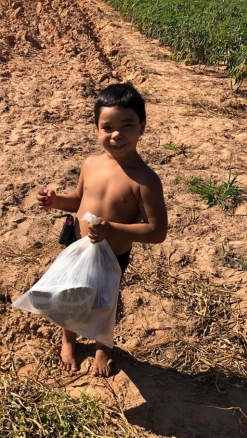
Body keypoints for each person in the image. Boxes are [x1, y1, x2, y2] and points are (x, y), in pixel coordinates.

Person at [37, 82, 167, 376]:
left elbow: (157, 232)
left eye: (127, 125)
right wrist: (57, 201)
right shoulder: (91, 164)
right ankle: (67, 339)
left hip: (112, 253)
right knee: (70, 294)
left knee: (104, 301)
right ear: (97, 129)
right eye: (107, 127)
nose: (117, 134)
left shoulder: (145, 180)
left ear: (142, 127)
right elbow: (79, 201)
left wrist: (111, 230)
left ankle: (102, 346)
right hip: (77, 245)